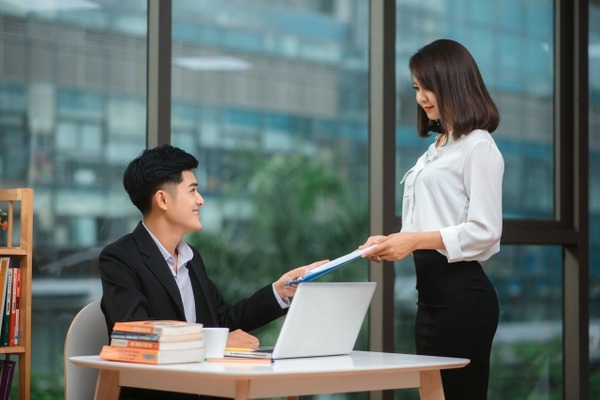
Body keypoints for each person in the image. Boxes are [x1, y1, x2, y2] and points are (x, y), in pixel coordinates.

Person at [99, 144, 326, 400]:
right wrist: (218, 344)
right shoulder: (120, 258)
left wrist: (280, 291)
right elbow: (139, 337)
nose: (200, 200)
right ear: (162, 199)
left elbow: (224, 320)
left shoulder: (192, 258)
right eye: (192, 190)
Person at [361, 39, 503, 400]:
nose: (421, 97)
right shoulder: (438, 148)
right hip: (431, 298)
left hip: (463, 299)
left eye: (428, 87)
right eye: (416, 88)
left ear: (452, 83)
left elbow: (486, 232)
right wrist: (391, 241)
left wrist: (413, 241)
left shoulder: (478, 145)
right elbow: (424, 224)